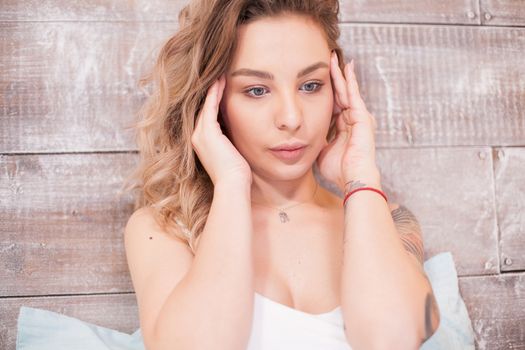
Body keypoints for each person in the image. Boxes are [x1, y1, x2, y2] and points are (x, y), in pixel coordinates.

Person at [123, 0, 441, 349]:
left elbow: (394, 340)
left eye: (310, 86)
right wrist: (231, 183)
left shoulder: (390, 221)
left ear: (338, 92)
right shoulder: (165, 230)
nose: (291, 117)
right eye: (256, 90)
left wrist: (360, 175)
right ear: (213, 103)